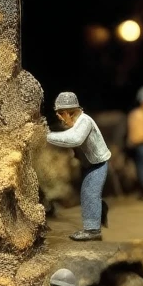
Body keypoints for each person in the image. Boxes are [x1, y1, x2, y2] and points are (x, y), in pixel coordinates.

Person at [46, 91, 111, 241]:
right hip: (89, 164)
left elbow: (74, 139)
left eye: (62, 114)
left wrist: (46, 135)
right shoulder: (76, 122)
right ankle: (99, 211)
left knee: (89, 194)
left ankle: (92, 230)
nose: (60, 117)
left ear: (70, 112)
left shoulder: (84, 122)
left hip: (97, 164)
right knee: (89, 193)